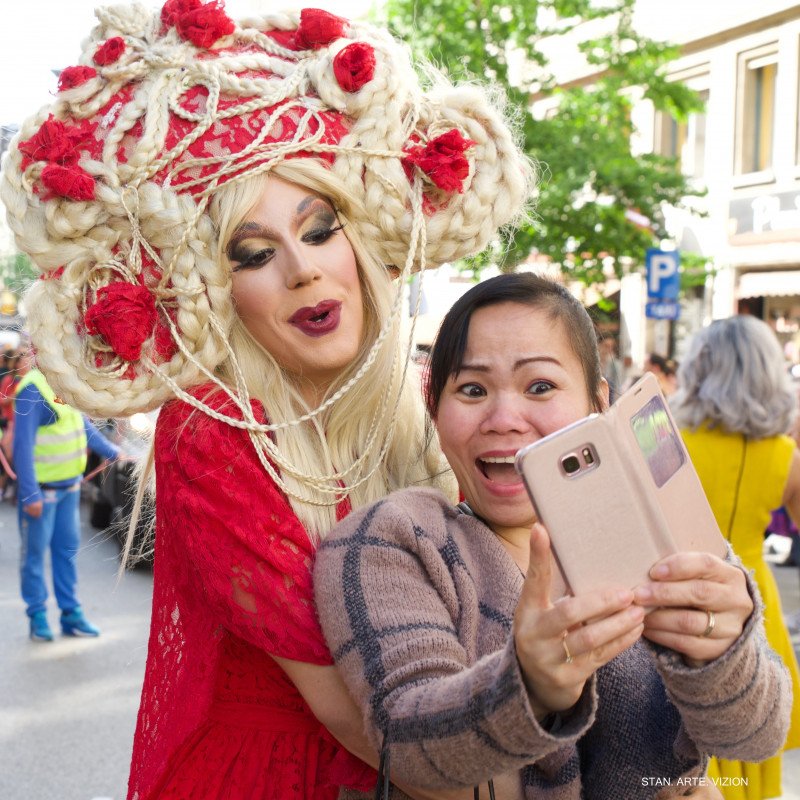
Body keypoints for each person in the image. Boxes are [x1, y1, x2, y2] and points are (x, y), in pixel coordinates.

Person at [1, 2, 530, 798]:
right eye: (253, 253)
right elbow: (352, 714)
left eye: (319, 230)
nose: (303, 269)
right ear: (218, 288)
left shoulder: (426, 397)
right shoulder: (211, 434)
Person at [315, 273, 791, 799]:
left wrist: (723, 655)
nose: (503, 419)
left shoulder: (659, 531)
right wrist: (529, 686)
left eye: (540, 386)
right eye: (472, 390)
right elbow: (405, 743)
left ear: (598, 402)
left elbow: (756, 736)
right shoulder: (393, 540)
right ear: (435, 410)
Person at [671, 314, 800, 800]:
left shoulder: (670, 441)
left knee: (687, 731)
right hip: (754, 601)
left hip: (682, 592)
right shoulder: (784, 455)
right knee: (752, 717)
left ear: (699, 367)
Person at [14, 347, 120, 641]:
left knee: (66, 554)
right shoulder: (33, 389)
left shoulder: (62, 381)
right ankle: (37, 616)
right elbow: (22, 446)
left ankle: (70, 614)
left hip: (69, 490)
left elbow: (80, 425)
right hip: (42, 494)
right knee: (34, 558)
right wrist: (30, 495)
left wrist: (113, 452)